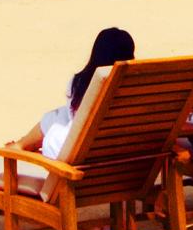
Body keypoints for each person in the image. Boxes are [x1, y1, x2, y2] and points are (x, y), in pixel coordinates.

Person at [23, 27, 135, 160]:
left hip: (87, 157)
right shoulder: (137, 86)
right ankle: (21, 144)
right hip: (127, 150)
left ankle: (20, 146)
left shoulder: (83, 83)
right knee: (60, 114)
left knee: (55, 129)